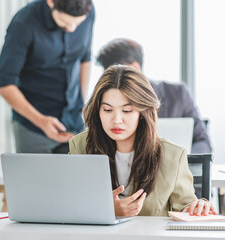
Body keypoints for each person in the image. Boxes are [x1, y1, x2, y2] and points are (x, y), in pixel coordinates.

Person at [69, 65, 216, 216]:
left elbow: (185, 207)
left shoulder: (173, 156)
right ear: (97, 110)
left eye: (127, 111)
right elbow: (68, 201)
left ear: (143, 112)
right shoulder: (80, 146)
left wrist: (197, 207)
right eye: (107, 110)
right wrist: (105, 207)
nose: (117, 120)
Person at [0, 0, 95, 154]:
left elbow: (85, 59)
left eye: (78, 23)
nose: (72, 28)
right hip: (33, 128)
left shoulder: (88, 11)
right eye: (64, 22)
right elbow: (4, 84)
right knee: (35, 178)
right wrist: (40, 121)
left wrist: (82, 103)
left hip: (74, 122)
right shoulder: (23, 23)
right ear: (50, 2)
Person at [96, 38, 212, 154]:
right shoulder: (104, 100)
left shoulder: (177, 94)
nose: (112, 81)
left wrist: (181, 162)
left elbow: (202, 141)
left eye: (127, 110)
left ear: (135, 68)